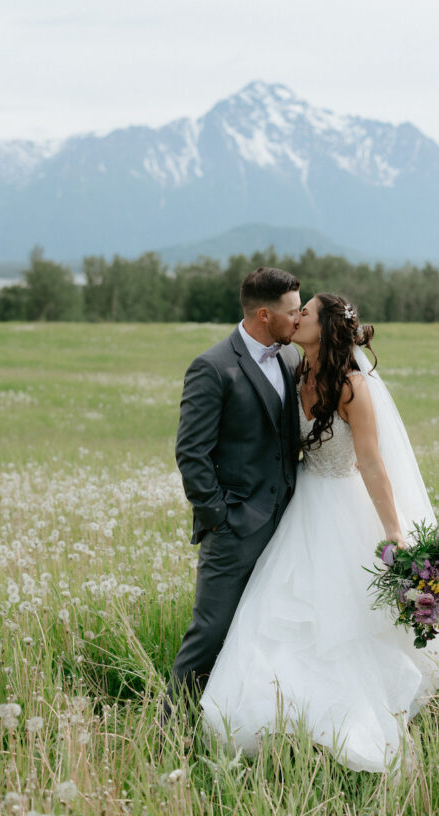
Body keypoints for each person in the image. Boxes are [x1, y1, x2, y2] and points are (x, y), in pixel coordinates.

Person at [200, 293, 439, 772]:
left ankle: (359, 718)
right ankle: (284, 715)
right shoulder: (295, 370)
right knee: (287, 607)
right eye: (296, 312)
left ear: (326, 328)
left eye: (307, 313)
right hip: (304, 505)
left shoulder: (351, 386)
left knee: (353, 621)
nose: (297, 318)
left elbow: (371, 462)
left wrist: (393, 533)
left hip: (345, 505)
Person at [163, 266, 302, 720]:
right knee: (212, 630)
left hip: (290, 523)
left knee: (270, 629)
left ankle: (244, 724)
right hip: (236, 527)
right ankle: (169, 729)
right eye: (292, 311)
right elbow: (191, 452)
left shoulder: (288, 359)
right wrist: (219, 515)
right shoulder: (213, 366)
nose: (298, 319)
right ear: (265, 314)